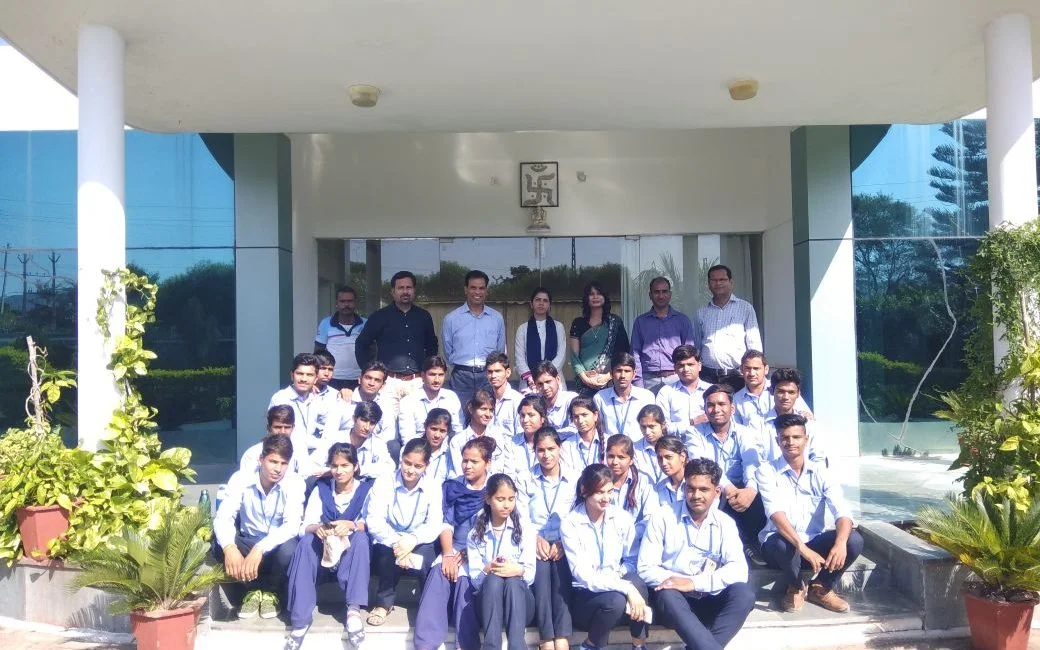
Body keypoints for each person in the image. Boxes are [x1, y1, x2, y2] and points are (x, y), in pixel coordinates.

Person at [637, 458, 755, 650]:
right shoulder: (663, 517)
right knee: (667, 595)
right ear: (684, 489)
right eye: (690, 489)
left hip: (709, 595)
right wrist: (679, 582)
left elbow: (739, 570)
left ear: (717, 492)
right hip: (675, 605)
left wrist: (693, 583)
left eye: (703, 489)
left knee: (744, 594)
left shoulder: (725, 523)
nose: (696, 495)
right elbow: (645, 568)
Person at [759, 414, 864, 613]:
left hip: (813, 542)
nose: (790, 442)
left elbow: (842, 510)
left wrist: (840, 543)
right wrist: (801, 547)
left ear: (806, 440)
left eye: (796, 437)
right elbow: (775, 513)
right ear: (778, 441)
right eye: (785, 437)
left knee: (854, 540)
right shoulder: (766, 471)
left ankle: (821, 587)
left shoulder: (821, 472)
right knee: (782, 545)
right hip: (780, 545)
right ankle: (796, 586)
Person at [284, 443, 374, 650]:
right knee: (306, 542)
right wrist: (318, 528)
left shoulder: (366, 490)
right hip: (324, 553)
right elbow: (305, 525)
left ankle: (353, 611)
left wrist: (351, 525)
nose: (339, 471)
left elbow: (372, 522)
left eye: (345, 465)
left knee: (361, 538)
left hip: (350, 555)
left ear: (355, 466)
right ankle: (300, 621)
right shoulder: (322, 489)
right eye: (334, 466)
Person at [413, 437, 496, 650]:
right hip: (453, 547)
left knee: (465, 583)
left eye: (474, 461)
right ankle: (426, 644)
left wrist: (469, 553)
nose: (467, 465)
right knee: (438, 575)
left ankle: (465, 645)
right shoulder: (452, 487)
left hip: (481, 552)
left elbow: (496, 527)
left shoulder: (495, 489)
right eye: (465, 460)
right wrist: (448, 554)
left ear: (487, 463)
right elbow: (446, 523)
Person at [213, 434, 305, 620]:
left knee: (290, 550)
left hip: (276, 545)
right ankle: (251, 591)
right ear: (261, 459)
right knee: (219, 545)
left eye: (284, 463)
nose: (278, 469)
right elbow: (223, 517)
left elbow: (291, 526)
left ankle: (272, 593)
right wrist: (230, 548)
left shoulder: (295, 482)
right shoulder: (241, 478)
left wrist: (260, 548)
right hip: (248, 540)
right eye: (273, 461)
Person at [561, 464, 650, 650]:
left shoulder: (622, 518)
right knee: (616, 600)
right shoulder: (571, 524)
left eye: (610, 491)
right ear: (584, 491)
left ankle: (639, 645)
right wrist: (625, 587)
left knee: (638, 584)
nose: (606, 498)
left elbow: (632, 560)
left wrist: (620, 575)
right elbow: (584, 576)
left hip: (616, 587)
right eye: (600, 492)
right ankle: (591, 644)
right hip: (586, 597)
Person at [365, 438, 443, 626]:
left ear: (426, 466)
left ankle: (428, 605)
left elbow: (433, 524)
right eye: (407, 463)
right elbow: (375, 520)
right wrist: (398, 543)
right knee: (387, 555)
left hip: (418, 540)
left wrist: (412, 540)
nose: (411, 470)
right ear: (401, 459)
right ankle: (384, 603)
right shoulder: (385, 481)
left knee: (427, 558)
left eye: (418, 466)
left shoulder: (433, 485)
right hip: (389, 538)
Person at [686, 385, 767, 564]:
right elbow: (704, 466)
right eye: (710, 405)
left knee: (760, 491)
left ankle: (752, 544)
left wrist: (750, 490)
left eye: (722, 404)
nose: (716, 409)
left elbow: (751, 463)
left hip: (742, 490)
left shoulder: (746, 433)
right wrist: (729, 489)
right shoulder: (694, 433)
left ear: (733, 408)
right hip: (714, 488)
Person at [515, 427, 576, 650]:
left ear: (560, 448)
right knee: (540, 570)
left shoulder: (575, 478)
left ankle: (562, 635)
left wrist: (564, 542)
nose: (546, 455)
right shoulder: (524, 478)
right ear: (534, 451)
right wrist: (534, 538)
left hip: (564, 541)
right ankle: (546, 636)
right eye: (541, 450)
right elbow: (521, 516)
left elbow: (577, 516)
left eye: (551, 449)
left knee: (561, 570)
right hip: (535, 540)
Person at [467, 474, 537, 650]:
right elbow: (475, 582)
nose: (507, 505)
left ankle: (517, 646)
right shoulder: (475, 534)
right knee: (492, 580)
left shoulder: (525, 529)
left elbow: (530, 575)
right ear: (488, 499)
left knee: (513, 581)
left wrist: (518, 570)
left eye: (511, 499)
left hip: (520, 605)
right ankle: (491, 646)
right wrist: (487, 569)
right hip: (489, 606)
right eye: (500, 499)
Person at [355, 270, 438, 381]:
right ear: (393, 291)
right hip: (388, 381)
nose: (405, 291)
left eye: (409, 288)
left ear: (414, 290)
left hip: (418, 380)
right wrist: (369, 372)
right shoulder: (379, 316)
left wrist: (428, 370)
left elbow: (432, 346)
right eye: (400, 288)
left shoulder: (424, 316)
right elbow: (361, 344)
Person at [693, 265, 762, 393]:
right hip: (707, 376)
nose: (718, 283)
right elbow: (697, 347)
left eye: (722, 279)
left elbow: (754, 345)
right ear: (708, 284)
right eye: (714, 280)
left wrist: (754, 373)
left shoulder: (745, 308)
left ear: (731, 282)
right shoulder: (701, 312)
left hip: (736, 376)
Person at [442, 270, 506, 406]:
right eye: (473, 288)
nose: (477, 292)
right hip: (461, 376)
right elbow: (448, 351)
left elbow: (500, 350)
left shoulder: (497, 318)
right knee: (460, 414)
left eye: (481, 288)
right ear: (466, 289)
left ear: (486, 291)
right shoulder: (451, 319)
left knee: (487, 414)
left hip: (488, 376)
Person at [629, 277, 695, 393]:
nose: (661, 296)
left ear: (670, 294)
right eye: (657, 292)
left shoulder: (682, 321)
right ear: (650, 295)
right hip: (648, 379)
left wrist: (687, 379)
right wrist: (638, 382)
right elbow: (635, 353)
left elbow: (689, 353)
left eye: (664, 292)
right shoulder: (641, 322)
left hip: (676, 378)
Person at [570, 281, 630, 397]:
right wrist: (585, 379)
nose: (595, 297)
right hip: (584, 382)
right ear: (587, 298)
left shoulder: (614, 322)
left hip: (610, 380)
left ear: (604, 297)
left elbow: (623, 352)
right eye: (591, 294)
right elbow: (574, 356)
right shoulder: (578, 323)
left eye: (599, 293)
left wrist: (608, 376)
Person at [268, 353, 332, 461]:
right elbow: (288, 436)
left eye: (309, 375)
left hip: (315, 457)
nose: (304, 379)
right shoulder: (281, 398)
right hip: (286, 456)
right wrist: (319, 443)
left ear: (316, 379)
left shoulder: (318, 399)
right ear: (292, 375)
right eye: (300, 374)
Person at [732, 351, 812, 433]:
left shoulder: (783, 387)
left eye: (756, 368)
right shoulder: (736, 399)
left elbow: (807, 417)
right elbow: (736, 429)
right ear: (741, 370)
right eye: (747, 368)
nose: (752, 373)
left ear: (766, 369)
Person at [759, 368, 825, 466]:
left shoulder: (809, 424)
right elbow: (754, 461)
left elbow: (818, 459)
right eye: (781, 391)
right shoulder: (758, 424)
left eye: (791, 392)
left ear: (798, 394)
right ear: (772, 391)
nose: (786, 397)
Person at [605, 434, 658, 545]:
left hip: (636, 543)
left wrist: (628, 535)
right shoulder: (600, 481)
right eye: (611, 456)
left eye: (621, 457)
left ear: (631, 460)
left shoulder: (644, 481)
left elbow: (650, 517)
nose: (615, 462)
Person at [398, 356, 464, 443]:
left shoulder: (451, 397)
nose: (437, 380)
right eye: (432, 374)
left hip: (446, 448)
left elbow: (459, 431)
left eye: (441, 375)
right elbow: (407, 437)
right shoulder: (408, 401)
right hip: (418, 448)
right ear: (423, 375)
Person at [515, 287, 567, 392]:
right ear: (531, 304)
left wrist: (546, 375)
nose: (541, 303)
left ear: (549, 305)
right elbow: (519, 358)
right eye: (538, 300)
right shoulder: (522, 329)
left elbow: (561, 355)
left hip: (553, 379)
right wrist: (530, 378)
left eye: (545, 301)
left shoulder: (558, 327)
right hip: (530, 382)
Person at [655, 344, 712, 441]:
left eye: (690, 364)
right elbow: (662, 428)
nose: (686, 369)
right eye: (681, 365)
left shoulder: (712, 391)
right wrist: (692, 422)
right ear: (675, 368)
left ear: (699, 366)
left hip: (707, 444)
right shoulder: (666, 392)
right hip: (676, 446)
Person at [593, 353, 655, 441]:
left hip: (639, 447)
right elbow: (598, 429)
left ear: (634, 374)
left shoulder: (646, 397)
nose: (622, 376)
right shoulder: (600, 398)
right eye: (619, 371)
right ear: (611, 374)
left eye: (627, 371)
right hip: (611, 447)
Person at [315, 285, 366, 391]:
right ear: (337, 303)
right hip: (332, 378)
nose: (346, 305)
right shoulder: (326, 323)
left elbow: (373, 351)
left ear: (355, 303)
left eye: (350, 301)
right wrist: (316, 378)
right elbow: (318, 353)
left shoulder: (366, 323)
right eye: (342, 301)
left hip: (360, 377)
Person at [449, 390, 511, 476]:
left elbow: (504, 469)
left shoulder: (499, 437)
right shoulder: (458, 441)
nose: (488, 414)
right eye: (483, 409)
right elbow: (459, 473)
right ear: (471, 409)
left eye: (491, 410)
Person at [327, 401, 394, 482]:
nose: (367, 427)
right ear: (354, 419)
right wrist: (333, 470)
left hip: (363, 486)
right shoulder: (336, 438)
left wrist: (360, 469)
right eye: (364, 420)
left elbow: (390, 467)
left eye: (372, 423)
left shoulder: (377, 443)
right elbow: (316, 463)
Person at [345, 361, 399, 456]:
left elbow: (389, 434)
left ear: (383, 385)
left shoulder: (386, 404)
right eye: (368, 378)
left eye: (377, 380)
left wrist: (371, 447)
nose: (371, 383)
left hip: (375, 450)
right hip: (344, 449)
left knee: (394, 445)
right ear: (360, 379)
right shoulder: (346, 399)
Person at [240, 405, 305, 475]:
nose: (282, 432)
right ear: (269, 428)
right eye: (278, 427)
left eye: (287, 427)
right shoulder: (253, 454)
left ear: (293, 427)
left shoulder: (300, 450)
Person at [533, 361, 578, 437]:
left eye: (548, 382)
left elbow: (575, 429)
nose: (545, 388)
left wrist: (548, 437)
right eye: (540, 384)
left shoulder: (570, 399)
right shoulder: (535, 403)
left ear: (558, 379)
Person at [509, 394, 550, 478]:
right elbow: (508, 473)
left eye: (531, 415)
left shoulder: (552, 443)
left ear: (542, 418)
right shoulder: (511, 443)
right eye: (522, 415)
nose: (525, 420)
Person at [485, 352, 525, 439]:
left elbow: (521, 436)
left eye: (497, 371)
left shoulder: (517, 400)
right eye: (490, 372)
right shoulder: (484, 399)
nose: (493, 376)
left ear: (508, 372)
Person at [561, 396, 605, 473]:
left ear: (595, 415)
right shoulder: (566, 446)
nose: (580, 421)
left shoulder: (608, 442)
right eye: (576, 417)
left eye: (584, 415)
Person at [414, 408, 455, 487]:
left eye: (442, 431)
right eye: (434, 429)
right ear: (425, 426)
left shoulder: (450, 453)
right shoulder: (412, 448)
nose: (437, 435)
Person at [633, 405, 669, 485]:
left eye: (651, 426)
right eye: (643, 427)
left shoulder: (674, 448)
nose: (647, 432)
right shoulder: (634, 449)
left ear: (663, 425)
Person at [653, 436, 689, 507]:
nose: (663, 463)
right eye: (660, 458)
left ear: (682, 457)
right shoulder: (660, 488)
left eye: (668, 457)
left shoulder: (696, 484)